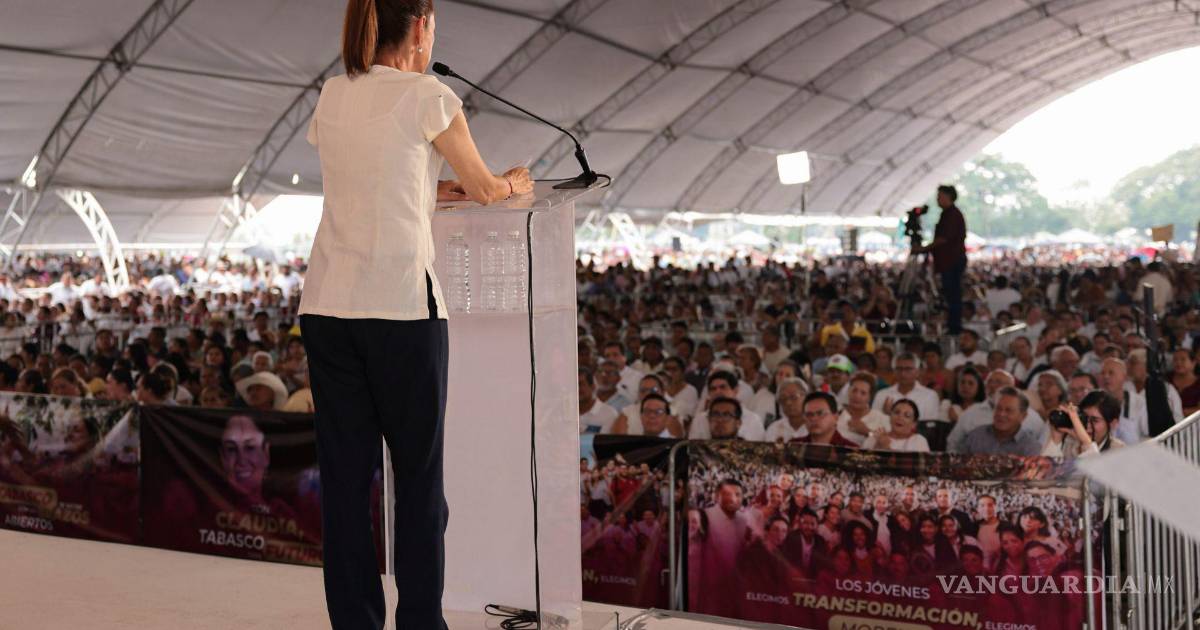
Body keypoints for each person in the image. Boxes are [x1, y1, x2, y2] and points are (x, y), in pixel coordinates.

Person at [299, 2, 534, 628]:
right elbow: (485, 187)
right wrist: (513, 183)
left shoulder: (333, 94)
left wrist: (434, 190)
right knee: (419, 484)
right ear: (423, 24)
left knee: (346, 486)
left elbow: (370, 182)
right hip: (402, 308)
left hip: (328, 305)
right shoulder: (430, 95)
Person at [913, 185, 967, 334]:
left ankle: (954, 326)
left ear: (948, 197)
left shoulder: (952, 215)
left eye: (940, 196)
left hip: (951, 260)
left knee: (953, 294)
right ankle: (953, 324)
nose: (937, 199)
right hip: (948, 261)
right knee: (951, 294)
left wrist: (924, 249)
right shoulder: (947, 214)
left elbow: (943, 239)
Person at [957, 387, 1042, 456]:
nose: (1001, 414)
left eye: (1008, 410)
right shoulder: (976, 436)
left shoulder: (1030, 447)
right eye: (998, 408)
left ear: (1023, 416)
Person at [872, 352, 940, 421]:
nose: (903, 373)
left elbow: (930, 425)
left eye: (908, 369)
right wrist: (886, 415)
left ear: (917, 372)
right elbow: (874, 424)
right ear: (894, 372)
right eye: (899, 369)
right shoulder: (882, 395)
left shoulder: (929, 396)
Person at [836, 372, 890, 445]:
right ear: (848, 391)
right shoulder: (836, 413)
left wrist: (867, 432)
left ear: (870, 397)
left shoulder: (881, 419)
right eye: (854, 390)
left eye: (863, 393)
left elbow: (886, 441)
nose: (857, 396)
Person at [792, 392, 859, 448]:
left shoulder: (851, 450)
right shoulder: (794, 446)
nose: (814, 418)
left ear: (835, 417)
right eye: (809, 414)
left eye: (820, 413)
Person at [863, 399, 929, 452]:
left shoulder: (919, 441)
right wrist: (877, 445)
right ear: (890, 416)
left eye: (907, 416)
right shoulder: (874, 437)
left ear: (914, 424)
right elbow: (862, 462)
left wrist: (886, 448)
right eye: (896, 412)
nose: (900, 417)